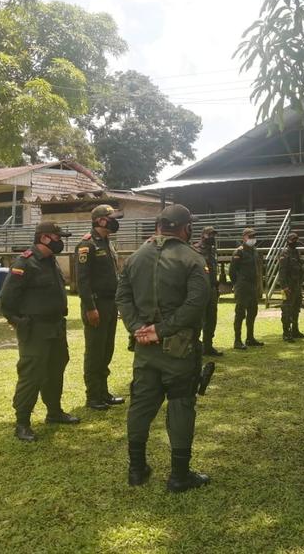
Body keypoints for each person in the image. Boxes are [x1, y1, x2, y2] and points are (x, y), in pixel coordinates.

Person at [116, 204, 211, 492]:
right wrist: (162, 329)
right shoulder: (193, 259)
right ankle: (179, 476)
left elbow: (122, 297)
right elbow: (196, 304)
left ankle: (136, 470)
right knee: (181, 406)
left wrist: (138, 329)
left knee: (141, 405)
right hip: (179, 350)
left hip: (144, 348)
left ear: (158, 226)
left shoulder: (134, 257)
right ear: (186, 228)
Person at [0, 221, 80, 442]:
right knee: (32, 374)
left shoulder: (51, 261)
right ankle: (22, 423)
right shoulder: (26, 262)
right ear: (44, 238)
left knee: (55, 369)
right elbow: (5, 300)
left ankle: (54, 412)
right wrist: (18, 322)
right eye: (58, 237)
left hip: (56, 327)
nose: (61, 241)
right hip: (35, 329)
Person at [76, 204, 125, 411]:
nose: (115, 221)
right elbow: (82, 281)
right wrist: (90, 308)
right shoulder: (87, 245)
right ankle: (93, 396)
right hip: (96, 304)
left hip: (110, 303)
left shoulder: (107, 243)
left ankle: (103, 392)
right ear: (101, 220)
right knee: (95, 351)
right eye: (111, 217)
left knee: (107, 349)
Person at [229, 227, 264, 350]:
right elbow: (232, 271)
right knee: (240, 314)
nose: (253, 239)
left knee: (252, 312)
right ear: (244, 238)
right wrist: (238, 284)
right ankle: (237, 341)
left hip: (253, 287)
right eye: (250, 236)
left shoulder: (255, 251)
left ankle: (250, 338)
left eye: (254, 236)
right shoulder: (239, 252)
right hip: (243, 287)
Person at [193, 226, 223, 357]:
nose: (213, 238)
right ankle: (194, 347)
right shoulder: (195, 249)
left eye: (214, 235)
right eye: (210, 235)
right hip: (199, 289)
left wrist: (216, 288)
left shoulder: (212, 251)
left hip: (211, 288)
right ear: (203, 235)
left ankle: (208, 346)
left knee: (211, 319)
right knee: (198, 319)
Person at [278, 231, 304, 342]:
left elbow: (300, 266)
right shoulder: (285, 254)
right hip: (288, 287)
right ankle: (286, 333)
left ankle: (295, 331)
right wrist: (284, 287)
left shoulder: (296, 253)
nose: (295, 242)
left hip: (297, 285)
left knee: (296, 309)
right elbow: (282, 272)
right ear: (288, 241)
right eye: (293, 240)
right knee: (286, 309)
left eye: (296, 239)